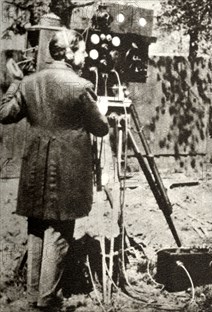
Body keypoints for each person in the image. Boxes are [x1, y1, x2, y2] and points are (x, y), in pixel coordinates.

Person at [0, 28, 109, 309]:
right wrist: (103, 109)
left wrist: (14, 82)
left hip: (35, 170)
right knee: (60, 233)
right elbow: (101, 128)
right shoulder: (81, 86)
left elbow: (5, 115)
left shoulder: (30, 83)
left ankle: (32, 296)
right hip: (67, 172)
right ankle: (48, 300)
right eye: (82, 51)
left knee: (36, 228)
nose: (85, 56)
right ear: (70, 53)